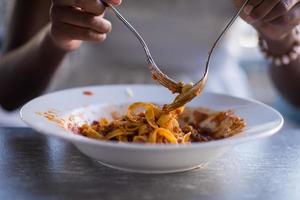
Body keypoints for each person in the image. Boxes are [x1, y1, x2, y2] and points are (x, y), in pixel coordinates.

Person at [0, 0, 299, 126]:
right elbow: (9, 93)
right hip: (82, 114)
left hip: (220, 116)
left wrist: (280, 37)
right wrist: (56, 41)